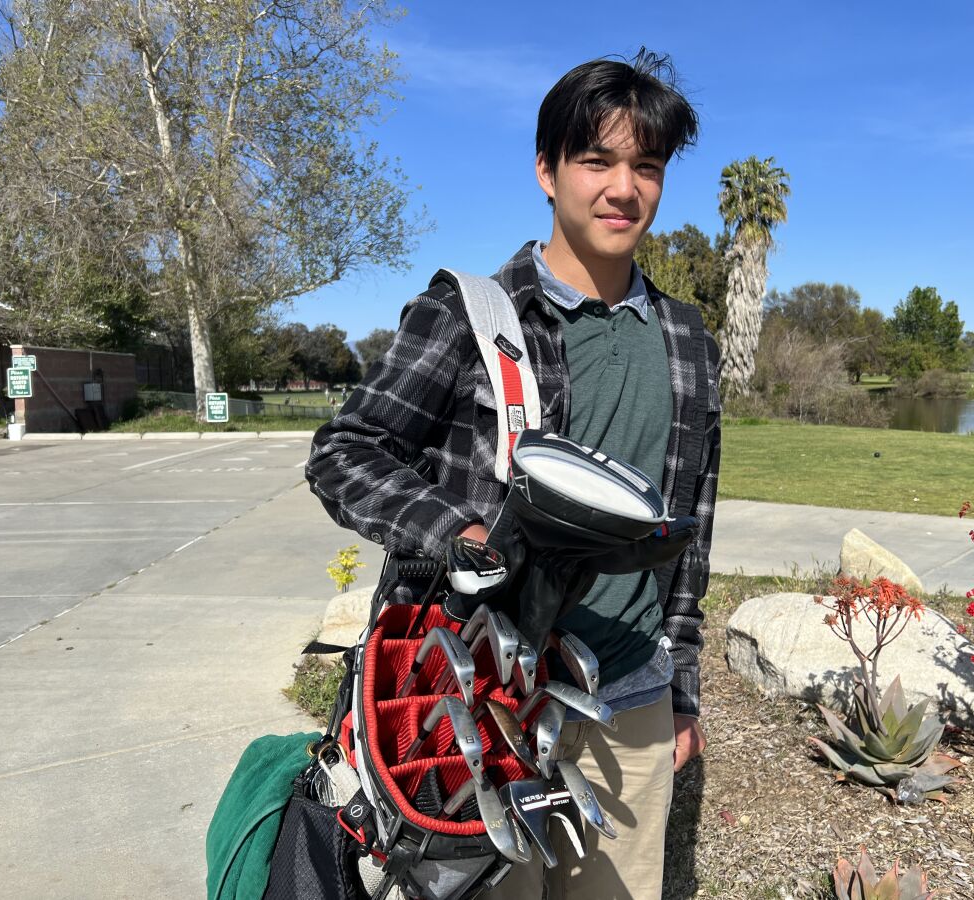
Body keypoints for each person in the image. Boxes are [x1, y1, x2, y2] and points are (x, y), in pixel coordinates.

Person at [305, 48, 720, 900]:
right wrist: (452, 533)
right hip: (482, 696)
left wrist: (680, 690)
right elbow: (344, 451)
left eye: (646, 165)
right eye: (596, 160)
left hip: (629, 695)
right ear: (546, 169)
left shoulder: (686, 340)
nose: (623, 188)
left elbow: (691, 524)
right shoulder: (473, 312)